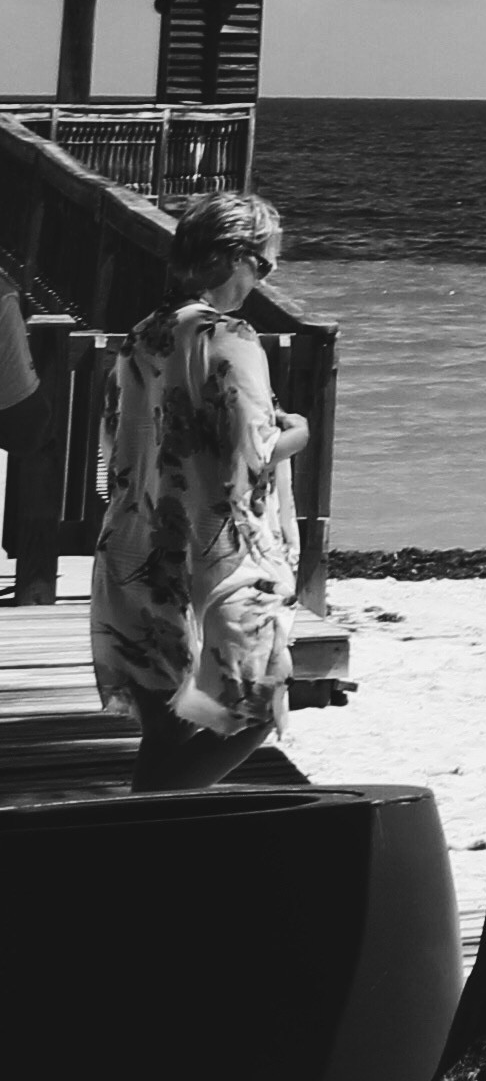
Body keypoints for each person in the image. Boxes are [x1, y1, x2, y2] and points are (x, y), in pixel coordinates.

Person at [95, 188, 311, 793]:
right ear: (231, 256)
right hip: (214, 561)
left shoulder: (144, 334)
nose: (261, 282)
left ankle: (144, 835)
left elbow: (118, 443)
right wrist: (299, 433)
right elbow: (249, 455)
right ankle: (151, 823)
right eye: (261, 265)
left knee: (166, 731)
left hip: (135, 551)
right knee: (255, 706)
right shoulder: (230, 335)